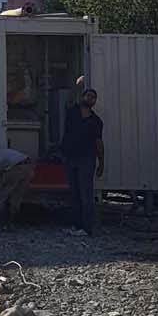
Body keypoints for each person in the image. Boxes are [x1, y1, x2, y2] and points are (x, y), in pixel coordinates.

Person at [60, 85, 104, 234]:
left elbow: (99, 143)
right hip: (70, 157)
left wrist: (101, 163)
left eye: (93, 97)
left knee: (86, 194)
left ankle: (87, 228)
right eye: (88, 95)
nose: (90, 98)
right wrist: (77, 85)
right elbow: (68, 99)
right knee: (74, 193)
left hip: (87, 159)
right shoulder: (72, 112)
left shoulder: (96, 121)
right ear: (82, 97)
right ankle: (77, 226)